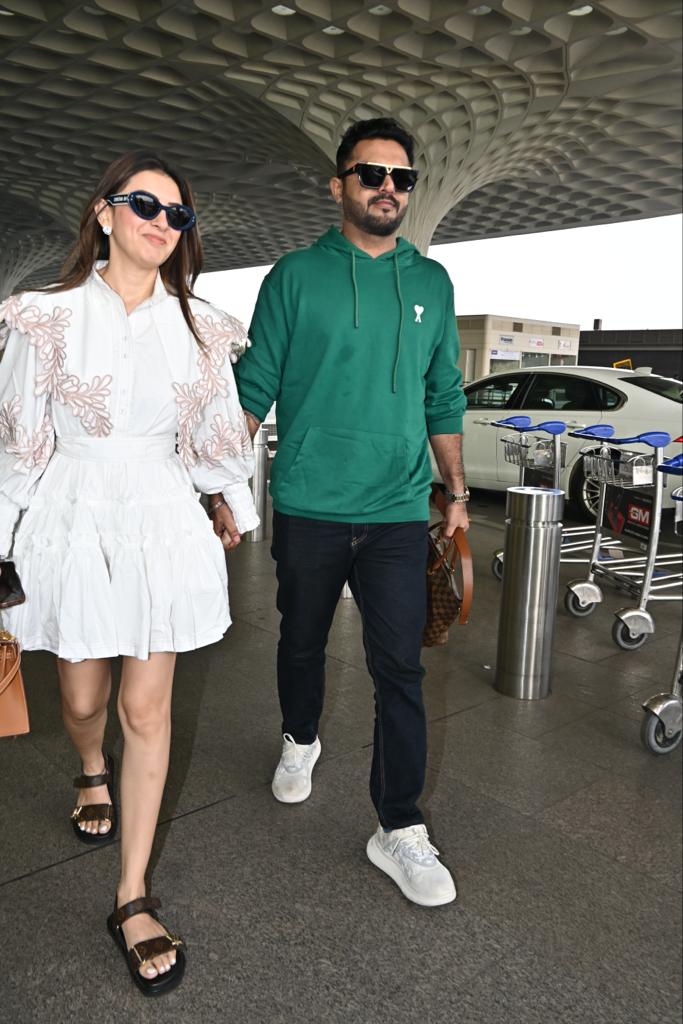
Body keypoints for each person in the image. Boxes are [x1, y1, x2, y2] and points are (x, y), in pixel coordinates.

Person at [0, 152, 258, 994]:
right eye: (144, 204)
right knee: (82, 699)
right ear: (104, 213)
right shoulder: (43, 317)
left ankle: (132, 893)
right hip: (72, 514)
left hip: (161, 518)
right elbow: (16, 444)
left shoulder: (204, 325)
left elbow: (219, 435)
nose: (160, 220)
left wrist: (232, 505)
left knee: (148, 710)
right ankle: (88, 768)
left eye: (176, 214)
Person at [227, 117, 468, 908]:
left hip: (399, 509)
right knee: (299, 641)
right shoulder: (293, 276)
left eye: (401, 177)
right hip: (309, 503)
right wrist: (211, 485)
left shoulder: (430, 283)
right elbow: (253, 385)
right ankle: (300, 737)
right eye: (371, 174)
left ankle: (396, 824)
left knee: (400, 667)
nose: (387, 189)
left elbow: (442, 395)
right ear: (338, 184)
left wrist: (457, 494)